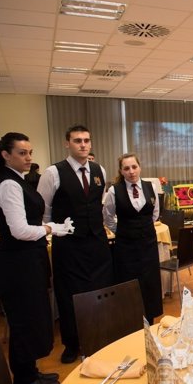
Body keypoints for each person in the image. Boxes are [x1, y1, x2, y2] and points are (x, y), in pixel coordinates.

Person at [0, 133, 71, 384]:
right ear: (5, 155)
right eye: (22, 153)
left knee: (32, 317)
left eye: (30, 152)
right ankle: (23, 380)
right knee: (24, 321)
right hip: (18, 263)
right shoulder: (8, 184)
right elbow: (20, 230)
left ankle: (30, 372)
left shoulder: (16, 180)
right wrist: (50, 228)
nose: (29, 157)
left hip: (27, 260)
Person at [37, 124, 114, 363]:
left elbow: (97, 205)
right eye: (77, 140)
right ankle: (72, 343)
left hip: (97, 243)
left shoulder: (99, 169)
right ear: (67, 144)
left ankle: (100, 337)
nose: (83, 144)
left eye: (86, 140)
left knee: (100, 291)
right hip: (69, 245)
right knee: (70, 295)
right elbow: (44, 211)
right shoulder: (53, 173)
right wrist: (60, 230)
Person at [103, 153, 162, 323]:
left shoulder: (150, 187)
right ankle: (130, 321)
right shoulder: (114, 191)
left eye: (134, 167)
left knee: (149, 282)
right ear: (121, 171)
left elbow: (154, 214)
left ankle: (149, 319)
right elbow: (107, 217)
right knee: (129, 283)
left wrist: (142, 228)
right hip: (126, 248)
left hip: (148, 245)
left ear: (140, 167)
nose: (131, 171)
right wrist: (124, 230)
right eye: (126, 168)